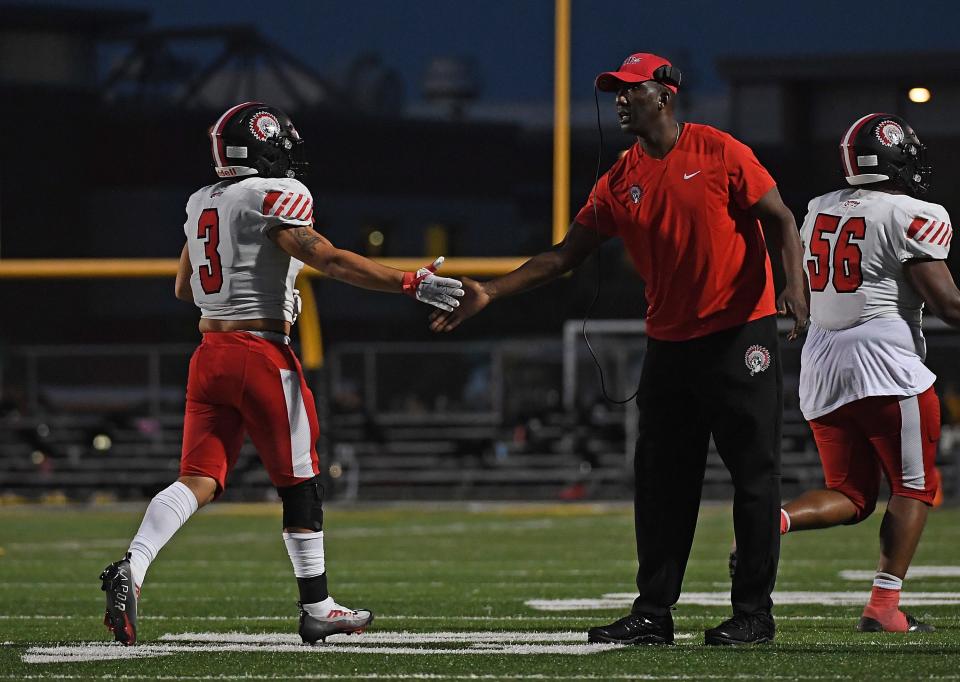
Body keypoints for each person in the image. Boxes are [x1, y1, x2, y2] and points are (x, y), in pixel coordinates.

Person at [429, 53, 808, 645]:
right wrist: (490, 292)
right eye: (616, 92)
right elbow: (563, 256)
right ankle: (654, 612)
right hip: (671, 345)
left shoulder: (719, 150)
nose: (621, 100)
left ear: (666, 94)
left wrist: (794, 287)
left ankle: (753, 614)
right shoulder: (618, 180)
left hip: (740, 335)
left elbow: (781, 218)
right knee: (660, 481)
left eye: (632, 89)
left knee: (755, 477)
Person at [99, 101, 464, 646]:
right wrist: (408, 282)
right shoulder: (271, 196)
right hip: (260, 351)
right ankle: (317, 607)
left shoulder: (204, 201)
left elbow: (183, 288)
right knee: (301, 481)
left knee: (198, 478)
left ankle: (134, 563)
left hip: (209, 353)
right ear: (265, 145)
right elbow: (333, 261)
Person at [754, 113, 959, 632]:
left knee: (851, 494)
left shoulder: (819, 208)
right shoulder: (913, 212)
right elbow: (949, 305)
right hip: (886, 364)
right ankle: (883, 608)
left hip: (823, 365)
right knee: (915, 487)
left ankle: (770, 521)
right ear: (895, 159)